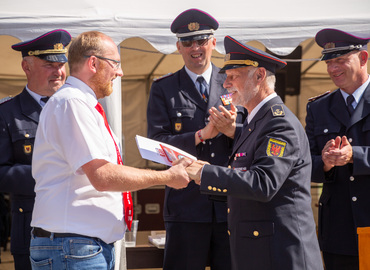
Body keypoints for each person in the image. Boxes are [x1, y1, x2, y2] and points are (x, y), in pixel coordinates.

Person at [29, 31, 191, 270]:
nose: (120, 72)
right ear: (93, 63)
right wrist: (167, 177)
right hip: (72, 246)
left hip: (78, 245)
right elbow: (103, 176)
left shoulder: (79, 103)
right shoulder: (72, 103)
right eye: (115, 63)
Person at [186, 35, 324, 270]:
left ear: (259, 76)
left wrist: (206, 173)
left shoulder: (278, 124)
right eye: (226, 78)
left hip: (280, 255)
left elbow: (263, 183)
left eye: (233, 77)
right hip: (261, 252)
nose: (226, 84)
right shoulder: (255, 121)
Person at [147, 9, 246, 270]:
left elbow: (256, 135)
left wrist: (232, 131)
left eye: (201, 40)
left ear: (214, 43)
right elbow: (155, 146)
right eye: (188, 42)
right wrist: (201, 135)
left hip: (230, 203)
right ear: (178, 46)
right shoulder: (163, 88)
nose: (196, 48)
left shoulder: (234, 81)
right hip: (186, 208)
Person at [0, 29, 71, 270]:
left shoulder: (78, 107)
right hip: (33, 230)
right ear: (26, 66)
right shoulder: (6, 114)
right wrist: (50, 174)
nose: (59, 72)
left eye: (62, 64)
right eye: (50, 64)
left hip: (81, 230)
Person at [305, 28, 370, 270]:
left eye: (341, 60)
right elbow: (304, 164)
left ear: (363, 59)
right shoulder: (318, 108)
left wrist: (356, 156)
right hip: (338, 229)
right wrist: (325, 162)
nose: (333, 69)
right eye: (329, 62)